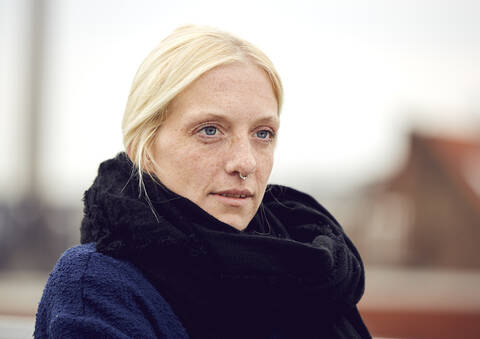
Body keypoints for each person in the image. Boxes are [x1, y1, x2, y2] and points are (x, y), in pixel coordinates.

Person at [34, 25, 371, 338]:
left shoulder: (313, 267)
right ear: (143, 146)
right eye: (210, 130)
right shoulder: (96, 284)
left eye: (263, 133)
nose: (246, 162)